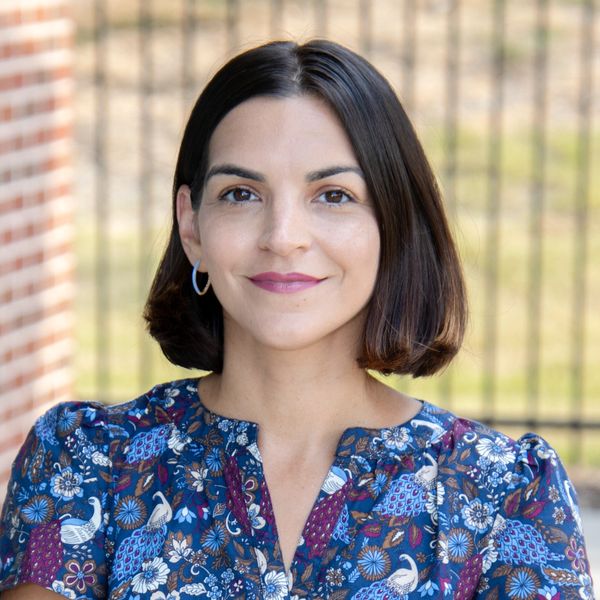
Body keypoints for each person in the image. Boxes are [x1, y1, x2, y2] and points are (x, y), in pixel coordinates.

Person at [0, 39, 593, 600]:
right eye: (240, 193)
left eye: (333, 195)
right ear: (191, 226)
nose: (283, 239)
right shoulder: (86, 464)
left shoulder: (504, 496)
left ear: (393, 224)